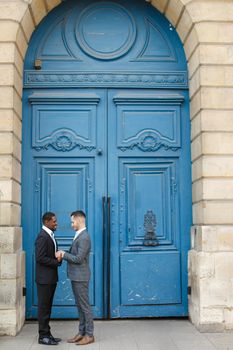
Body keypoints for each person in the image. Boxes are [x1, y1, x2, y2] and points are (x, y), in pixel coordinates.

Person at [56, 210, 94, 345]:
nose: (71, 224)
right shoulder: (79, 235)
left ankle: (89, 335)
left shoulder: (85, 237)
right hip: (76, 276)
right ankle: (81, 332)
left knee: (85, 306)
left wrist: (63, 254)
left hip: (81, 277)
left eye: (72, 222)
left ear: (78, 221)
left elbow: (78, 259)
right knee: (80, 306)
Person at [35, 212, 62, 345]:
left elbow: (49, 255)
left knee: (47, 308)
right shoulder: (42, 236)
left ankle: (48, 333)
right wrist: (56, 262)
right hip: (44, 279)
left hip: (50, 278)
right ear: (46, 222)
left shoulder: (49, 235)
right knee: (43, 308)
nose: (56, 223)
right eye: (54, 221)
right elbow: (39, 258)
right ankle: (43, 336)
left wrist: (58, 257)